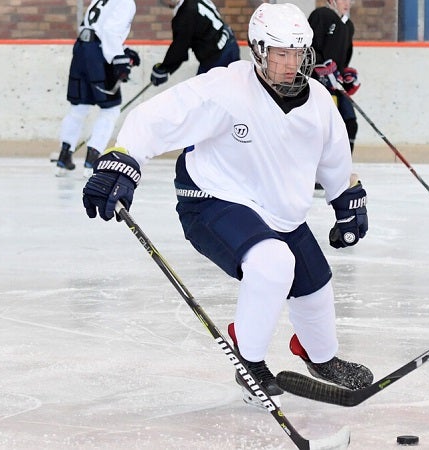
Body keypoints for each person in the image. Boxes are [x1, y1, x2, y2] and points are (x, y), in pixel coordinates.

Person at [81, 2, 373, 406]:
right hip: (213, 199)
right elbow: (156, 117)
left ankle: (319, 356)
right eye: (280, 54)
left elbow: (335, 160)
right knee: (272, 263)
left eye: (298, 54)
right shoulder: (226, 88)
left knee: (315, 286)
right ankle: (250, 362)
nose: (291, 65)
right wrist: (122, 159)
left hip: (279, 210)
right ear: (258, 51)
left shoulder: (320, 104)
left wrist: (346, 199)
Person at [55, 0, 139, 177]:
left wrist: (124, 50)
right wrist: (119, 59)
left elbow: (97, 28)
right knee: (110, 109)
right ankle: (92, 160)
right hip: (98, 56)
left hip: (81, 50)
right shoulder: (126, 2)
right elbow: (109, 32)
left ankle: (64, 155)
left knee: (79, 108)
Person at [149, 0, 241, 88]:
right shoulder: (192, 4)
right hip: (230, 43)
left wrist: (163, 69)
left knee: (201, 96)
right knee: (232, 88)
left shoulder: (185, 14)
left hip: (217, 57)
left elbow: (179, 49)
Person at [308, 0, 359, 153]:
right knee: (325, 129)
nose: (348, 3)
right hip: (315, 86)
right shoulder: (321, 15)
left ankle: (343, 167)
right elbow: (307, 49)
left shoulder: (348, 26)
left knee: (350, 123)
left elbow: (342, 62)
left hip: (334, 87)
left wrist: (346, 76)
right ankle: (318, 166)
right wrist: (319, 67)